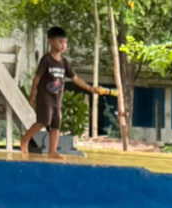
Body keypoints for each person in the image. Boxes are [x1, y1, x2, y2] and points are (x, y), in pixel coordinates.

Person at [18, 27, 107, 159]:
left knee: (56, 124)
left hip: (57, 99)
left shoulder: (64, 63)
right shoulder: (46, 60)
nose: (63, 45)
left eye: (65, 42)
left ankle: (52, 151)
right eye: (60, 42)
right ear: (50, 41)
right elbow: (36, 78)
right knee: (43, 121)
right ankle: (25, 139)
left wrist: (90, 88)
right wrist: (32, 96)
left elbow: (75, 78)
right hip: (45, 97)